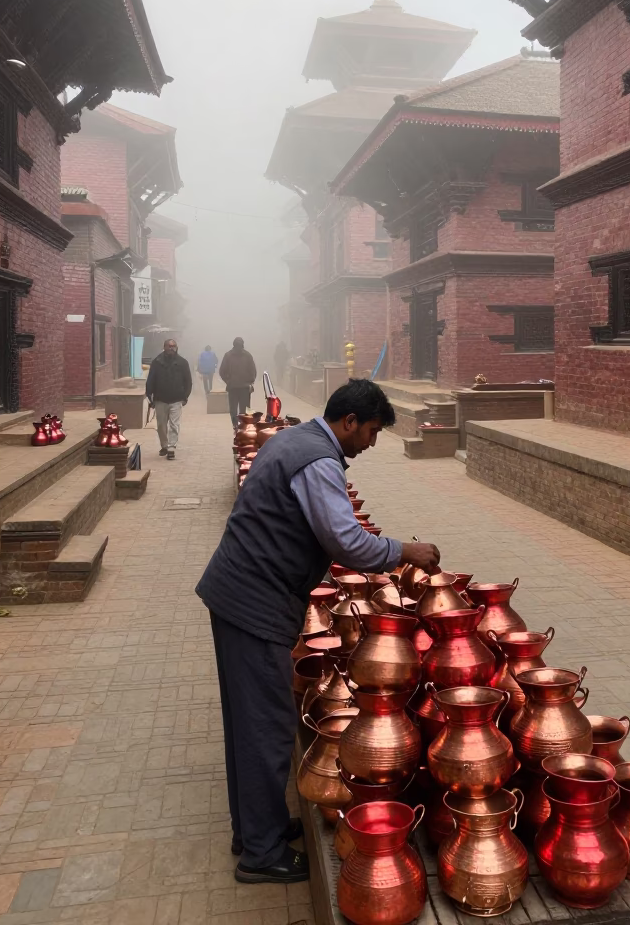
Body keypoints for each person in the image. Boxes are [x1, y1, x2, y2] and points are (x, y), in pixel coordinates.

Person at [196, 379, 440, 886]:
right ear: (349, 422)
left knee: (249, 723)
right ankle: (260, 856)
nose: (371, 443)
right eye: (371, 431)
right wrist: (402, 552)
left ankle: (255, 830)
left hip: (239, 593)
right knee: (267, 725)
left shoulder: (294, 439)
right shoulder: (318, 460)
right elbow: (345, 539)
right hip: (254, 601)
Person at [145, 338, 192, 461]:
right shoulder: (157, 362)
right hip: (160, 398)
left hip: (176, 398)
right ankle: (164, 445)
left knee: (174, 425)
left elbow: (188, 381)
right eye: (169, 346)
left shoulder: (182, 363)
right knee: (161, 425)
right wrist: (150, 396)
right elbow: (150, 379)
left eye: (173, 346)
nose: (171, 348)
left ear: (176, 347)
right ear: (164, 347)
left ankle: (171, 447)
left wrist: (185, 396)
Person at [219, 337, 258, 426]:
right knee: (244, 410)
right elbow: (253, 371)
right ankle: (243, 425)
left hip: (233, 386)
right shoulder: (247, 355)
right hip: (244, 387)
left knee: (233, 410)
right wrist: (250, 382)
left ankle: (235, 425)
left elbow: (222, 371)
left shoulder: (228, 355)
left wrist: (228, 381)